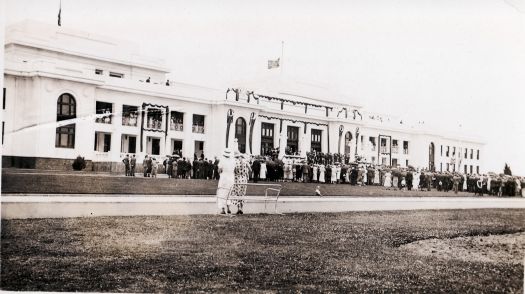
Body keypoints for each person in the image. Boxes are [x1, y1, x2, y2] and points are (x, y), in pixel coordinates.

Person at [216, 149, 235, 214]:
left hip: (224, 177)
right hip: (231, 178)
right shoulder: (233, 160)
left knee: (222, 193)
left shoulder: (222, 160)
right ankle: (229, 208)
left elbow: (219, 170)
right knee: (229, 193)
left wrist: (219, 172)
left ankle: (223, 209)